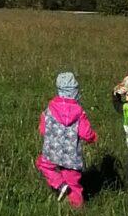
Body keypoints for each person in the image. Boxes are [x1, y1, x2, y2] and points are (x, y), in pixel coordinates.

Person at [36, 71, 98, 207]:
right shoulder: (79, 112)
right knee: (74, 183)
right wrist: (93, 137)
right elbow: (86, 133)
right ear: (75, 92)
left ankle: (59, 184)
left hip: (52, 151)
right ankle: (76, 209)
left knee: (43, 165)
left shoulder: (50, 109)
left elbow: (43, 129)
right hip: (71, 156)